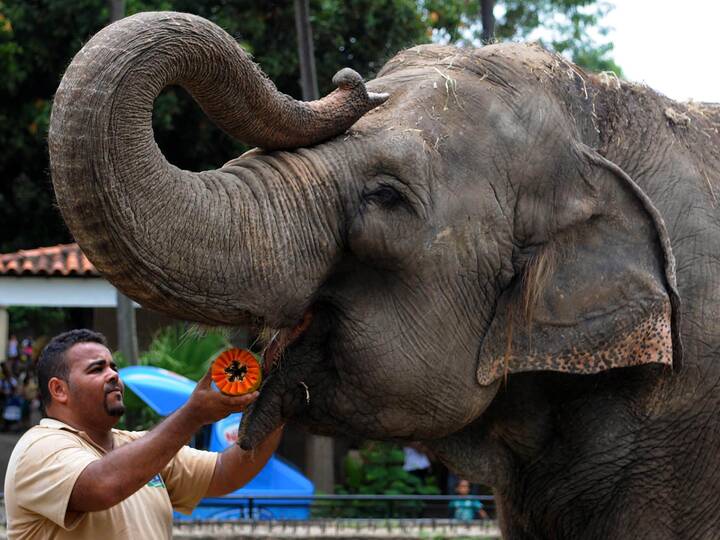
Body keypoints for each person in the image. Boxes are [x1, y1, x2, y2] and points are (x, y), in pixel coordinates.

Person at [4, 329, 282, 539]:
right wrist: (193, 415)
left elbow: (226, 472)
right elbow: (103, 486)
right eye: (96, 369)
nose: (114, 375)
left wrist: (278, 398)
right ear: (59, 390)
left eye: (113, 366)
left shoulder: (139, 447)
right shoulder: (38, 447)